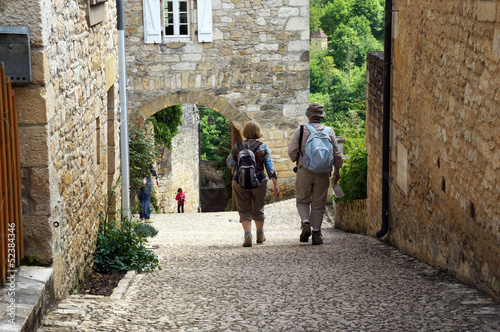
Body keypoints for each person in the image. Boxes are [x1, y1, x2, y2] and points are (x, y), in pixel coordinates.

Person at [287, 103, 343, 245]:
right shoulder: (329, 131)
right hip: (323, 172)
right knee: (319, 203)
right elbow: (337, 154)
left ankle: (305, 223)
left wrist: (298, 160)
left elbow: (292, 151)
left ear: (308, 115)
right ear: (321, 116)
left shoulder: (301, 130)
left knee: (302, 200)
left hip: (304, 171)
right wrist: (337, 171)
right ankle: (316, 233)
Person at [227, 121, 280, 247]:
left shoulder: (238, 146)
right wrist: (276, 183)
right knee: (258, 207)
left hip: (240, 181)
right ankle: (260, 235)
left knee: (244, 209)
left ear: (245, 132)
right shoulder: (262, 147)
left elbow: (230, 163)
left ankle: (248, 236)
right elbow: (270, 167)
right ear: (258, 132)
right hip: (259, 181)